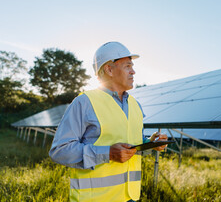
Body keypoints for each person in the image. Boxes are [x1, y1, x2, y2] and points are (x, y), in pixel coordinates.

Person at [49, 42, 168, 202]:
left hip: (130, 197)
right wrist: (107, 153)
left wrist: (151, 143)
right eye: (127, 66)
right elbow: (60, 151)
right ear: (109, 69)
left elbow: (132, 147)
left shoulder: (135, 105)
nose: (133, 71)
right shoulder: (84, 102)